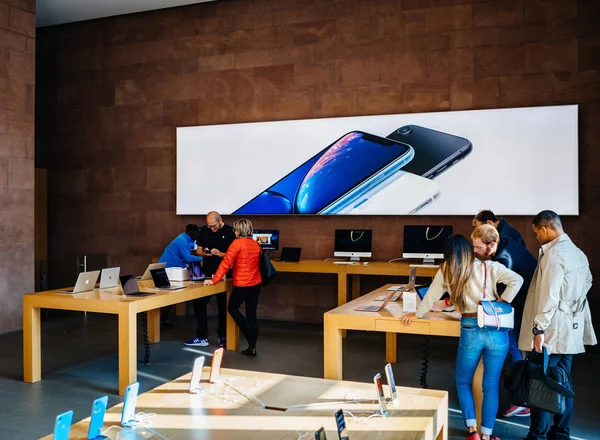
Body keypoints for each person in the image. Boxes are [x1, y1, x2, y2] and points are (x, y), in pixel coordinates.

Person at [401, 234, 523, 440]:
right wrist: (502, 301)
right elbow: (517, 279)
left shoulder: (447, 269)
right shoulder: (489, 266)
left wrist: (417, 314)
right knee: (491, 385)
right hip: (496, 330)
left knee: (463, 381)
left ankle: (472, 431)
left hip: (470, 328)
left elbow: (431, 296)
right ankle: (487, 435)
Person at [519, 211, 596, 440]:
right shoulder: (578, 253)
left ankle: (538, 435)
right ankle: (561, 433)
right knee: (563, 383)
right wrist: (572, 302)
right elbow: (589, 280)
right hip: (570, 329)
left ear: (544, 229)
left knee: (540, 384)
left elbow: (549, 296)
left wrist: (539, 329)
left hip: (551, 331)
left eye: (536, 233)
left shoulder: (554, 256)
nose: (536, 239)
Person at [471, 224, 537, 418]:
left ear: (491, 245)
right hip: (525, 300)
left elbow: (504, 287)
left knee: (513, 346)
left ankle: (522, 399)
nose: (475, 252)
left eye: (478, 248)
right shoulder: (506, 241)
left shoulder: (503, 258)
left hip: (522, 303)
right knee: (514, 346)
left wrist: (501, 301)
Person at [204, 219, 262, 357]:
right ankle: (252, 346)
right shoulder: (255, 244)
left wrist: (213, 280)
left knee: (232, 308)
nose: (234, 231)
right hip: (255, 284)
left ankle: (248, 335)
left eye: (235, 229)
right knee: (251, 316)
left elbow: (225, 264)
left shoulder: (236, 244)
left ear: (239, 231)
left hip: (242, 285)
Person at [184, 212, 236, 348]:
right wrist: (204, 252)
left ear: (221, 220)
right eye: (209, 226)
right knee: (199, 302)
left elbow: (234, 255)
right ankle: (202, 336)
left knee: (223, 306)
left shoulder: (230, 232)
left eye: (214, 226)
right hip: (206, 274)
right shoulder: (204, 231)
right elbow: (198, 250)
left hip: (225, 274)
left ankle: (223, 335)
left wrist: (220, 254)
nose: (211, 229)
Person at [158, 224, 203, 327]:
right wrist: (202, 259)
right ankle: (158, 323)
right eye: (197, 233)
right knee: (165, 300)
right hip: (167, 270)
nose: (198, 236)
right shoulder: (182, 240)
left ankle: (161, 322)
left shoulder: (186, 239)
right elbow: (187, 257)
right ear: (191, 233)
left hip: (172, 269)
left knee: (169, 300)